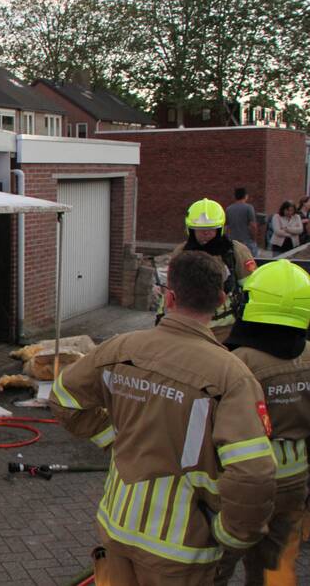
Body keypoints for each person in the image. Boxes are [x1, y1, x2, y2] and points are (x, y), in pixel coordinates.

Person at [51, 250, 276, 586]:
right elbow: (254, 473)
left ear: (168, 297)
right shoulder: (232, 376)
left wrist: (113, 439)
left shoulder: (120, 348)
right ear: (220, 300)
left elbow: (64, 399)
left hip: (117, 527)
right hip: (181, 548)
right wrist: (233, 535)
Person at [216, 259, 310, 585]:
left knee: (215, 567)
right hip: (295, 482)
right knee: (271, 572)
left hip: (241, 484)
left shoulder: (235, 363)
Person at [159, 198, 256, 341]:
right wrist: (161, 316)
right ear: (190, 230)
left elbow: (252, 288)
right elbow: (170, 289)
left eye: (211, 229)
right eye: (200, 230)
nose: (206, 234)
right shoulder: (181, 252)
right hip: (188, 327)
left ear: (220, 228)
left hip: (226, 329)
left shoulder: (235, 252)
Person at [225, 187, 259, 256]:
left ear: (235, 196)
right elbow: (253, 225)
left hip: (233, 242)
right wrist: (254, 239)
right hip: (246, 241)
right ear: (245, 196)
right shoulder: (249, 208)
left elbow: (226, 227)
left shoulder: (229, 209)